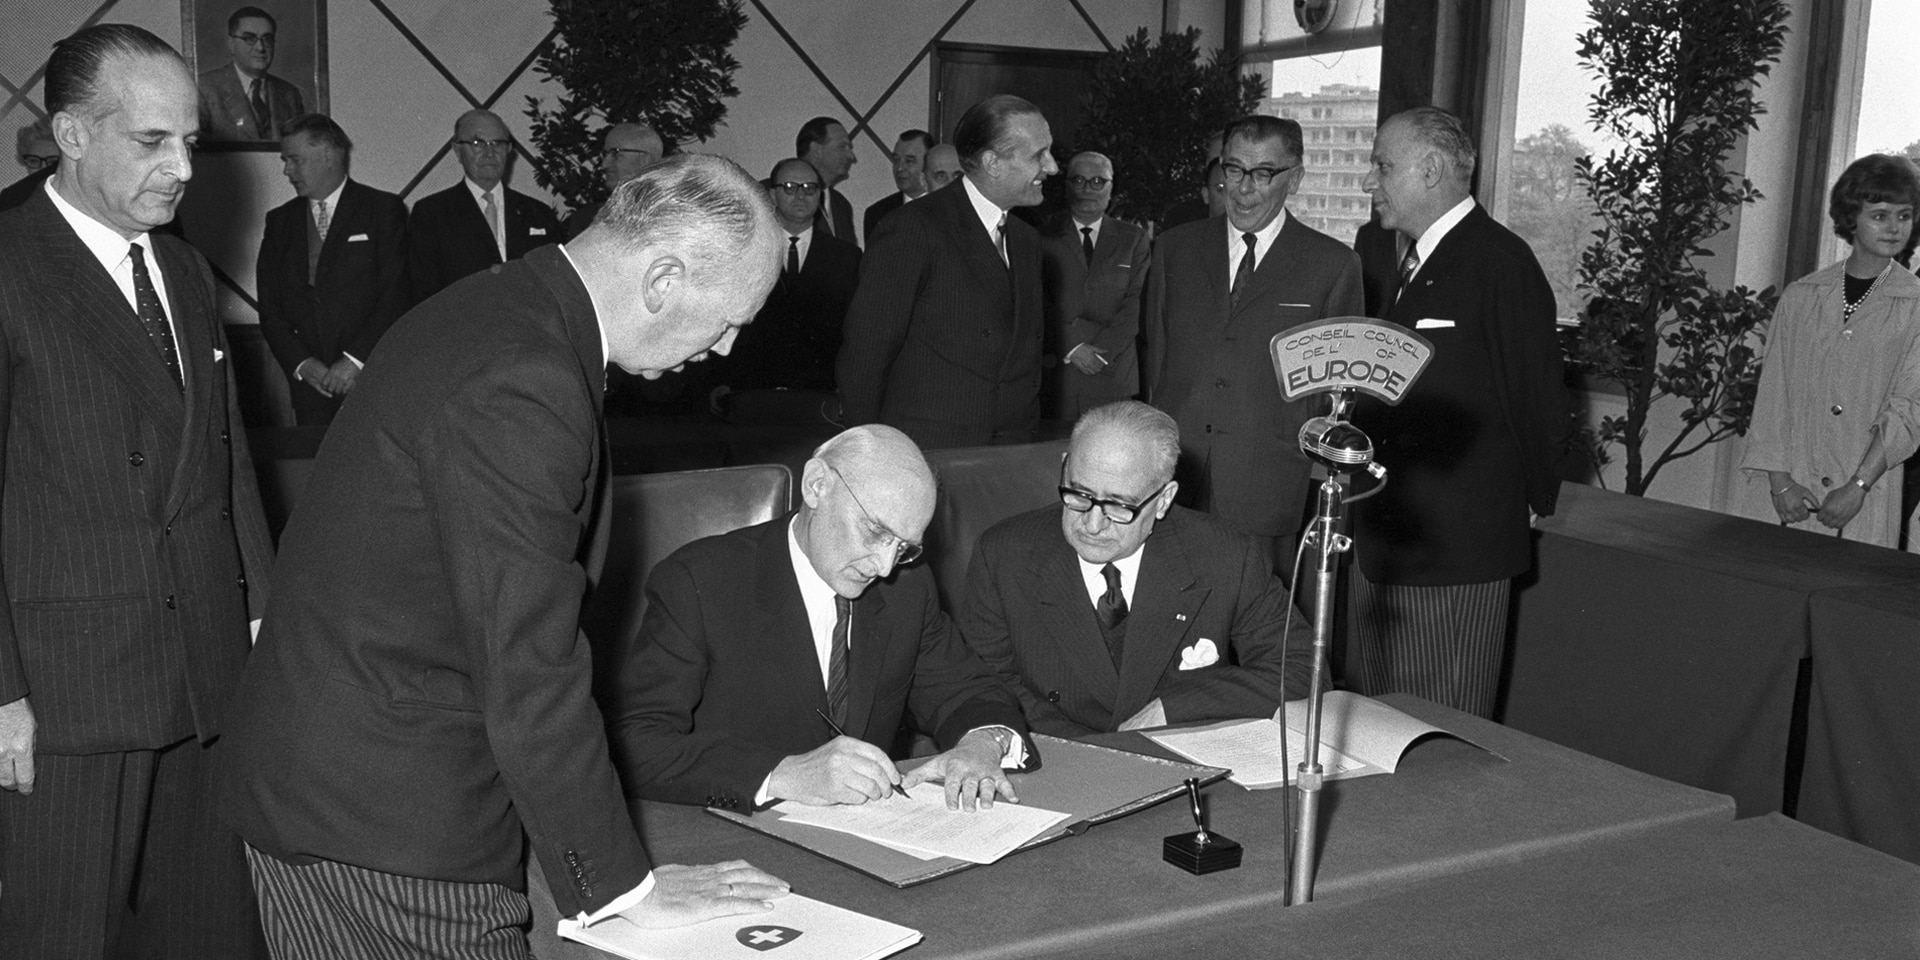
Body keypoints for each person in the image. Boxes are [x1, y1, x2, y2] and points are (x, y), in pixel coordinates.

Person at [216, 154, 793, 955]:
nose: (728, 349)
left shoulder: (501, 306)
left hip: (337, 783)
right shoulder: (525, 373)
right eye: (730, 318)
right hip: (385, 824)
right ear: (662, 278)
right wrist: (623, 891)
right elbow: (529, 661)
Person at [0, 24, 274, 957]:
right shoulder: (8, 266)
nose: (184, 167)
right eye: (152, 141)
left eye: (190, 141)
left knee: (209, 934)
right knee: (59, 936)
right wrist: (1, 695)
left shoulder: (187, 271)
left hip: (205, 677)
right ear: (72, 134)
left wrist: (260, 623)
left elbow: (228, 465)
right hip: (66, 692)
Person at [607, 424, 1035, 812]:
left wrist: (981, 743)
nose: (885, 566)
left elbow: (966, 689)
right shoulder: (700, 581)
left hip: (866, 839)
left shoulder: (907, 586)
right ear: (816, 486)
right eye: (876, 532)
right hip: (734, 833)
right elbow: (634, 742)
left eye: (904, 547)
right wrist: (781, 773)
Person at [1346, 107, 1567, 719]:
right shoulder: (1398, 258)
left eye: (1382, 166)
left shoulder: (1500, 262)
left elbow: (1540, 401)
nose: (1369, 182)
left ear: (1432, 169)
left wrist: (1511, 504)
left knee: (1439, 732)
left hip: (1455, 551)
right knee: (1375, 724)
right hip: (1386, 537)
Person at [959, 402, 1313, 737]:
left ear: (1163, 500)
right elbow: (985, 683)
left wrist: (1174, 708)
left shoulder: (1225, 556)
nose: (1093, 525)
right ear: (1065, 466)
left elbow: (1301, 669)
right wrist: (1098, 753)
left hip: (1176, 753)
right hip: (1056, 754)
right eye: (1079, 495)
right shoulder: (1004, 555)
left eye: (1119, 506)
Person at [1144, 114, 1364, 568]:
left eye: (1263, 173)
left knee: (1256, 628)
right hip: (1173, 481)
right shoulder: (1174, 249)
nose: (1243, 188)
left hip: (1265, 485)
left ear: (1295, 179)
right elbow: (1157, 361)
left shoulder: (1332, 265)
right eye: (1233, 169)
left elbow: (1334, 396)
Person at [837, 94, 1057, 450]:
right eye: (1038, 155)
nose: (1052, 167)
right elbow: (865, 355)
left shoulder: (1026, 239)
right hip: (929, 452)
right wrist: (867, 453)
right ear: (993, 163)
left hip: (1008, 453)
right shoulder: (914, 228)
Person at [1743, 154, 1920, 550]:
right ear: (1851, 217)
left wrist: (1858, 486)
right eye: (1880, 215)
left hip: (1867, 494)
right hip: (1793, 491)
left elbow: (1911, 408)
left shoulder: (1915, 304)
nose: (1894, 228)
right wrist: (1780, 482)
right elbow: (1774, 393)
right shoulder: (1803, 296)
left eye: (1904, 216)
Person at [256, 112, 408, 426]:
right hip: (310, 387)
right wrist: (302, 364)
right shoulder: (279, 222)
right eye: (285, 160)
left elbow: (397, 294)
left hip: (371, 377)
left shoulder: (383, 210)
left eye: (295, 160)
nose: (287, 170)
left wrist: (354, 361)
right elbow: (270, 309)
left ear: (327, 155)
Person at [714, 158, 859, 392]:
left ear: (819, 195)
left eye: (810, 188)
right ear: (772, 195)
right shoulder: (745, 252)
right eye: (790, 187)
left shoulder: (846, 257)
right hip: (751, 388)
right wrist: (721, 382)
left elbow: (854, 331)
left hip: (820, 391)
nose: (801, 195)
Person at [406, 108, 562, 302]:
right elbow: (424, 291)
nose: (489, 152)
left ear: (509, 150)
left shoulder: (538, 213)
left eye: (498, 143)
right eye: (478, 143)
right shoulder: (432, 213)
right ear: (457, 150)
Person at [1040, 151, 1150, 420]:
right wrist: (1073, 346)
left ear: (1112, 188)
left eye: (1098, 181)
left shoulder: (1133, 239)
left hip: (1113, 374)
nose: (1088, 189)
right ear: (1067, 186)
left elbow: (1138, 303)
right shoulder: (1041, 233)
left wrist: (1101, 353)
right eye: (1079, 180)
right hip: (1057, 375)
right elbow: (1037, 299)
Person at [197, 5, 306, 142]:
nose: (260, 47)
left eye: (267, 39)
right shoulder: (205, 90)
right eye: (249, 38)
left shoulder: (289, 94)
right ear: (231, 44)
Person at [565, 121, 665, 240]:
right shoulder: (587, 221)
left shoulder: (676, 214)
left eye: (615, 153)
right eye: (605, 154)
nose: (604, 164)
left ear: (646, 160)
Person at [797, 115, 858, 244]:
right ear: (816, 150)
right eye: (842, 147)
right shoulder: (771, 195)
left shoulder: (841, 205)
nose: (851, 156)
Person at [864, 129, 934, 238]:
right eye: (896, 160)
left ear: (930, 163)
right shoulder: (878, 214)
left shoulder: (947, 207)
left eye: (909, 161)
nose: (900, 168)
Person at [0, 120, 58, 213]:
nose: (43, 168)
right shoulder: (11, 199)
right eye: (34, 161)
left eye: (52, 162)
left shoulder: (81, 198)